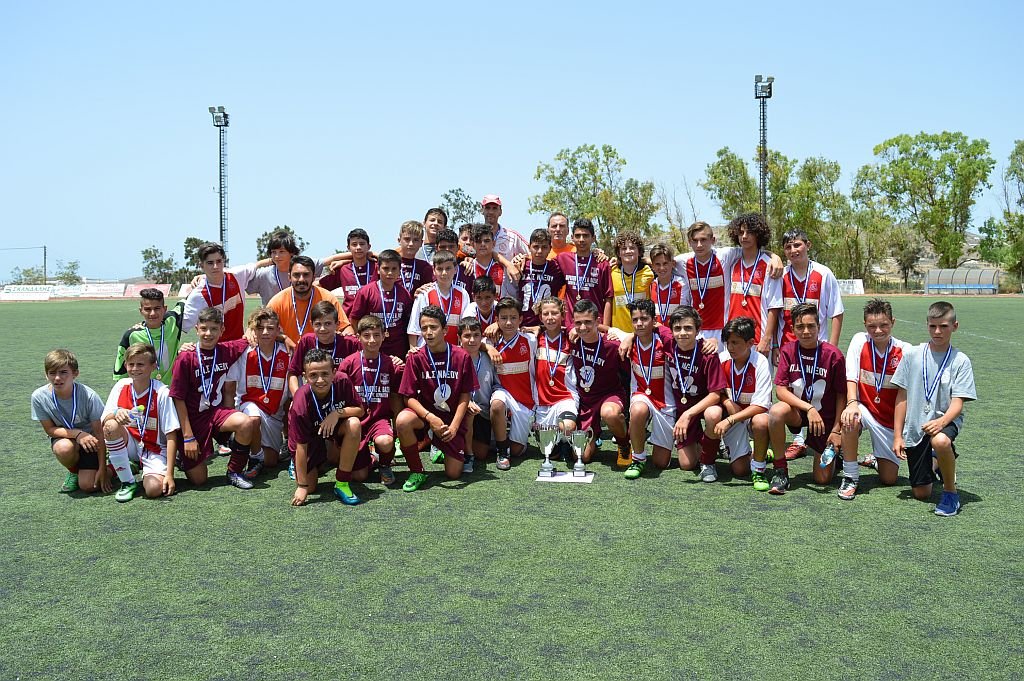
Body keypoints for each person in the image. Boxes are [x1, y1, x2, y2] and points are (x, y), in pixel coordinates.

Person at [891, 301, 976, 517]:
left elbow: (957, 402)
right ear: (927, 324)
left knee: (940, 440)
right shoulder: (912, 355)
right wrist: (898, 436)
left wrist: (941, 422)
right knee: (921, 493)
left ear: (954, 326)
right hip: (916, 426)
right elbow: (902, 396)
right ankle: (938, 459)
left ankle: (950, 492)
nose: (937, 331)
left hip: (946, 421)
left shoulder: (960, 360)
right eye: (933, 326)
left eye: (944, 326)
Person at [761, 302, 846, 495]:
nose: (806, 331)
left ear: (819, 327)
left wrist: (836, 430)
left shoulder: (833, 355)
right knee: (776, 411)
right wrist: (808, 408)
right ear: (792, 329)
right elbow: (781, 390)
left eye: (810, 326)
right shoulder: (788, 350)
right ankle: (780, 470)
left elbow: (842, 395)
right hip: (799, 413)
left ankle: (835, 455)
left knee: (822, 479)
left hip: (824, 418)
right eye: (800, 327)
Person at [169, 307, 257, 490]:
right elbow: (178, 398)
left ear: (222, 330)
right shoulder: (186, 357)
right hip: (192, 420)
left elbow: (250, 336)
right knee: (199, 480)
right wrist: (187, 437)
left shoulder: (226, 350)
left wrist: (253, 330)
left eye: (214, 329)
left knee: (245, 423)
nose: (208, 334)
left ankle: (234, 471)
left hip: (214, 413)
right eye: (204, 328)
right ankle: (182, 455)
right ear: (197, 329)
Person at [775, 228, 845, 460]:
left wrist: (832, 347)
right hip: (789, 349)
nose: (793, 250)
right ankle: (798, 440)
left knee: (820, 394)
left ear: (808, 245)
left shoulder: (823, 274)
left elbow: (836, 312)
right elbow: (774, 312)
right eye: (788, 247)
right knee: (792, 394)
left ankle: (829, 434)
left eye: (797, 245)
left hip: (818, 348)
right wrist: (775, 346)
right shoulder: (780, 276)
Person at [395, 305, 478, 491]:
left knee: (453, 474)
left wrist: (454, 427)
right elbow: (408, 397)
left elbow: (465, 394)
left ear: (445, 329)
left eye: (433, 327)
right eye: (424, 328)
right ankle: (417, 470)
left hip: (450, 418)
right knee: (402, 421)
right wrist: (430, 417)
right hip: (425, 416)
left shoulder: (461, 356)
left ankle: (441, 446)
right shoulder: (416, 357)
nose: (428, 332)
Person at [838, 299, 910, 500]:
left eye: (883, 325)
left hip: (888, 421)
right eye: (872, 326)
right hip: (864, 409)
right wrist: (852, 404)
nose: (878, 331)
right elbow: (851, 377)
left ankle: (876, 459)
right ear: (865, 325)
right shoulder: (859, 341)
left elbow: (904, 396)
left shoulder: (905, 351)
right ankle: (850, 476)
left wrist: (898, 434)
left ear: (893, 322)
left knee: (889, 479)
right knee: (850, 419)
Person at [102, 343, 180, 501]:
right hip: (129, 444)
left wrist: (170, 474)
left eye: (140, 364)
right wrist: (116, 413)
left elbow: (171, 434)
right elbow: (104, 421)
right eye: (131, 364)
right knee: (111, 426)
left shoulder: (162, 392)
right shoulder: (121, 386)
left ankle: (134, 466)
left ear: (153, 366)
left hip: (154, 449)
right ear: (125, 365)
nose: (135, 369)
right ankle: (127, 481)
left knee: (153, 489)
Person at [288, 348, 365, 506]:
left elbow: (360, 410)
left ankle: (342, 483)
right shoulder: (300, 403)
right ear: (305, 377)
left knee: (354, 424)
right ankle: (309, 461)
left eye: (325, 374)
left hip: (335, 428)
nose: (320, 380)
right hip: (309, 438)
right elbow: (301, 446)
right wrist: (302, 486)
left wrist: (336, 413)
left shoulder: (343, 381)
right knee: (310, 487)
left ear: (334, 372)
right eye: (313, 375)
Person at [31, 349, 110, 494]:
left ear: (75, 373)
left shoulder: (89, 396)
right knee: (63, 448)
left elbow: (99, 433)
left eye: (63, 372)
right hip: (67, 439)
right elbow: (49, 430)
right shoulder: (39, 397)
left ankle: (116, 468)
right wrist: (78, 434)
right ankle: (73, 472)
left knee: (89, 486)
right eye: (52, 373)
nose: (57, 378)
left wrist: (103, 468)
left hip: (92, 443)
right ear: (46, 374)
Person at [338, 315, 403, 486]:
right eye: (366, 336)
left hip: (379, 419)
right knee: (359, 476)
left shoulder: (390, 364)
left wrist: (396, 426)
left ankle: (384, 465)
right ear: (358, 337)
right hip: (356, 421)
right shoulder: (348, 364)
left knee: (385, 442)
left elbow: (395, 396)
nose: (372, 340)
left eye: (376, 335)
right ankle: (371, 459)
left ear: (384, 336)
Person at [665, 306, 727, 481]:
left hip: (704, 405)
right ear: (671, 331)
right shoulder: (668, 344)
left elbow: (715, 394)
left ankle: (708, 462)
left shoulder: (708, 353)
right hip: (683, 406)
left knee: (713, 414)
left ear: (698, 331)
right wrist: (628, 337)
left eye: (688, 328)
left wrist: (687, 414)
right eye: (677, 328)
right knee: (686, 464)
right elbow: (649, 327)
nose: (682, 333)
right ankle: (709, 440)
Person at [228, 308, 291, 478]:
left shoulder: (287, 353)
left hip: (274, 414)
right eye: (260, 328)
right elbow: (229, 387)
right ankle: (255, 457)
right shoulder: (244, 353)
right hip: (249, 406)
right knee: (253, 418)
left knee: (271, 461)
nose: (265, 332)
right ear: (253, 330)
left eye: (270, 328)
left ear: (278, 330)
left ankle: (245, 442)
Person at [709, 317, 773, 484]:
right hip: (734, 417)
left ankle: (759, 469)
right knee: (740, 470)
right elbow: (716, 391)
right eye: (728, 342)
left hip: (752, 417)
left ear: (750, 343)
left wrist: (730, 420)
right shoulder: (722, 359)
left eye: (735, 343)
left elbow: (761, 405)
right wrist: (726, 401)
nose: (730, 347)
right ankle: (760, 452)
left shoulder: (760, 362)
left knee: (761, 421)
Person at [622, 299, 678, 478]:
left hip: (665, 403)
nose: (639, 323)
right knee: (637, 410)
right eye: (635, 319)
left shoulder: (666, 341)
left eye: (644, 319)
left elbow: (689, 341)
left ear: (654, 321)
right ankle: (638, 458)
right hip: (641, 396)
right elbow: (602, 331)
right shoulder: (627, 342)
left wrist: (711, 341)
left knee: (661, 462)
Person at [569, 300, 630, 464]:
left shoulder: (613, 345)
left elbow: (629, 373)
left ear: (597, 322)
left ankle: (624, 444)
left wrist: (629, 337)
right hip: (585, 401)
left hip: (609, 395)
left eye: (588, 322)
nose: (583, 327)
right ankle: (594, 435)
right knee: (581, 457)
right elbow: (552, 327)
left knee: (609, 413)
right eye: (578, 323)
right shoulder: (572, 341)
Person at [488, 297, 539, 469]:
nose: (508, 322)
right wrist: (488, 347)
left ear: (521, 319)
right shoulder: (492, 341)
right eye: (503, 318)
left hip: (525, 401)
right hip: (502, 392)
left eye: (513, 317)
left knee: (517, 450)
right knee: (497, 404)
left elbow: (551, 330)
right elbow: (475, 343)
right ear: (496, 320)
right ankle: (502, 450)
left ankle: (499, 439)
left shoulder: (530, 340)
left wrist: (539, 327)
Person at [723, 213, 783, 353]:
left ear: (758, 234)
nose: (744, 236)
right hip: (732, 338)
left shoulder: (769, 265)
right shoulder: (732, 264)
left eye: (749, 232)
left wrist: (766, 339)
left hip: (758, 340)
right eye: (741, 232)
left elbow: (774, 306)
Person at [182, 242, 259, 342]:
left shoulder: (236, 275)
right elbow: (182, 327)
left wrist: (273, 260)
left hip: (239, 344)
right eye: (210, 263)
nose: (215, 266)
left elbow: (258, 265)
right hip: (214, 348)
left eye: (219, 261)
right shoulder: (198, 295)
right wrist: (184, 346)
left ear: (224, 261)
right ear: (201, 265)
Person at [533, 297, 579, 460]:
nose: (550, 317)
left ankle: (567, 441)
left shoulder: (571, 338)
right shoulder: (534, 339)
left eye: (554, 313)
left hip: (565, 397)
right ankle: (556, 441)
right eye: (546, 314)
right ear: (540, 317)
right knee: (549, 453)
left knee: (567, 426)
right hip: (542, 402)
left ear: (563, 315)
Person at [266, 255, 349, 346]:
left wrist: (346, 337)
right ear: (289, 277)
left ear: (313, 277)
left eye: (306, 275)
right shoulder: (277, 301)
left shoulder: (328, 298)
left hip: (321, 353)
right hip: (289, 352)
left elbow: (345, 328)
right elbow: (263, 329)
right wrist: (283, 338)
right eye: (296, 275)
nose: (301, 279)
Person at [349, 249, 414, 360]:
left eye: (394, 269)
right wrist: (365, 340)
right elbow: (355, 319)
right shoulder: (366, 292)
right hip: (372, 346)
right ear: (378, 269)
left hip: (397, 348)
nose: (390, 273)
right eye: (386, 268)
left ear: (399, 271)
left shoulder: (404, 293)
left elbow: (408, 321)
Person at [287, 301, 362, 395]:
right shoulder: (307, 341)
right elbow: (293, 373)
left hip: (343, 395)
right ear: (312, 324)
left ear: (337, 324)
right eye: (318, 324)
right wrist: (297, 396)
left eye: (328, 324)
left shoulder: (351, 343)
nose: (322, 329)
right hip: (314, 396)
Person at [114, 287, 185, 384]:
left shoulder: (173, 321)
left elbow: (189, 301)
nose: (152, 313)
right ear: (141, 311)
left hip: (170, 390)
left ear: (164, 309)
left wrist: (197, 280)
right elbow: (121, 375)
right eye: (147, 309)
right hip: (144, 391)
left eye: (157, 308)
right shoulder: (131, 335)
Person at [246, 229, 336, 305]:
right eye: (273, 252)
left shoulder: (303, 267)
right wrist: (258, 264)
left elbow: (331, 259)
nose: (277, 256)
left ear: (291, 252)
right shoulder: (263, 274)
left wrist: (343, 261)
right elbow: (242, 280)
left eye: (281, 252)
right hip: (272, 319)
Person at [556, 218, 612, 330]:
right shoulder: (563, 259)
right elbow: (542, 263)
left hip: (595, 326)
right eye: (578, 236)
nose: (581, 239)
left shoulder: (602, 263)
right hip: (571, 325)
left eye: (585, 236)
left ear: (593, 238)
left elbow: (608, 298)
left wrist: (605, 328)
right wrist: (524, 258)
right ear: (572, 238)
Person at [408, 251, 471, 347]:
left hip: (454, 349)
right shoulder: (424, 293)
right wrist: (413, 351)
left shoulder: (463, 294)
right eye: (440, 269)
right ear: (434, 270)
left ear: (455, 269)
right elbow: (414, 328)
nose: (444, 273)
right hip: (427, 350)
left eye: (448, 268)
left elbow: (466, 325)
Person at [458, 317, 497, 471]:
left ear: (482, 337)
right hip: (459, 410)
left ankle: (461, 446)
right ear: (459, 338)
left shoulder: (489, 358)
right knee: (467, 412)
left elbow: (497, 384)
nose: (472, 340)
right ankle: (467, 454)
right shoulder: (453, 357)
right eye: (467, 336)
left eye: (476, 335)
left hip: (482, 412)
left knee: (482, 453)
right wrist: (466, 402)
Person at [317, 228, 378, 318]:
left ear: (369, 247)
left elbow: (392, 259)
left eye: (362, 244)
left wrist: (375, 255)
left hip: (373, 320)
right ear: (348, 248)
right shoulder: (343, 270)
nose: (358, 247)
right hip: (349, 320)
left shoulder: (378, 268)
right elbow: (319, 286)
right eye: (354, 244)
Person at [512, 229, 566, 328]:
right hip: (523, 326)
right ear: (529, 247)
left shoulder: (556, 268)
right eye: (536, 247)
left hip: (547, 326)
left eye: (544, 247)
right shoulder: (520, 266)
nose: (540, 251)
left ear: (550, 248)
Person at [609, 230, 655, 335]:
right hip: (618, 333)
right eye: (623, 248)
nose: (628, 251)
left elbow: (666, 263)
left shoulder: (649, 272)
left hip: (643, 332)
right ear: (618, 253)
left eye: (632, 248)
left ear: (639, 251)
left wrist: (647, 260)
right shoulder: (611, 272)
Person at [481, 194, 530, 261]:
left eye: (494, 208)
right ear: (482, 210)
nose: (491, 212)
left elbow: (532, 253)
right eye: (487, 208)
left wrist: (522, 258)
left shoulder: (512, 237)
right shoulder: (474, 236)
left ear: (500, 212)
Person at [649, 243, 686, 327]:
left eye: (665, 263)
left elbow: (686, 313)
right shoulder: (650, 285)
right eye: (657, 264)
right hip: (657, 333)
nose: (661, 268)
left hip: (677, 333)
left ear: (673, 264)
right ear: (652, 266)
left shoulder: (682, 284)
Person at [470, 223, 511, 294]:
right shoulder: (468, 268)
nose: (482, 244)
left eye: (486, 241)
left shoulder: (503, 268)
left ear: (494, 243)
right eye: (478, 241)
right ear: (473, 244)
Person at [397, 221, 435, 294]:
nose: (411, 244)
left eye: (416, 240)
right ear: (399, 240)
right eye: (407, 239)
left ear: (421, 243)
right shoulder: (389, 263)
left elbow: (431, 291)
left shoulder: (424, 267)